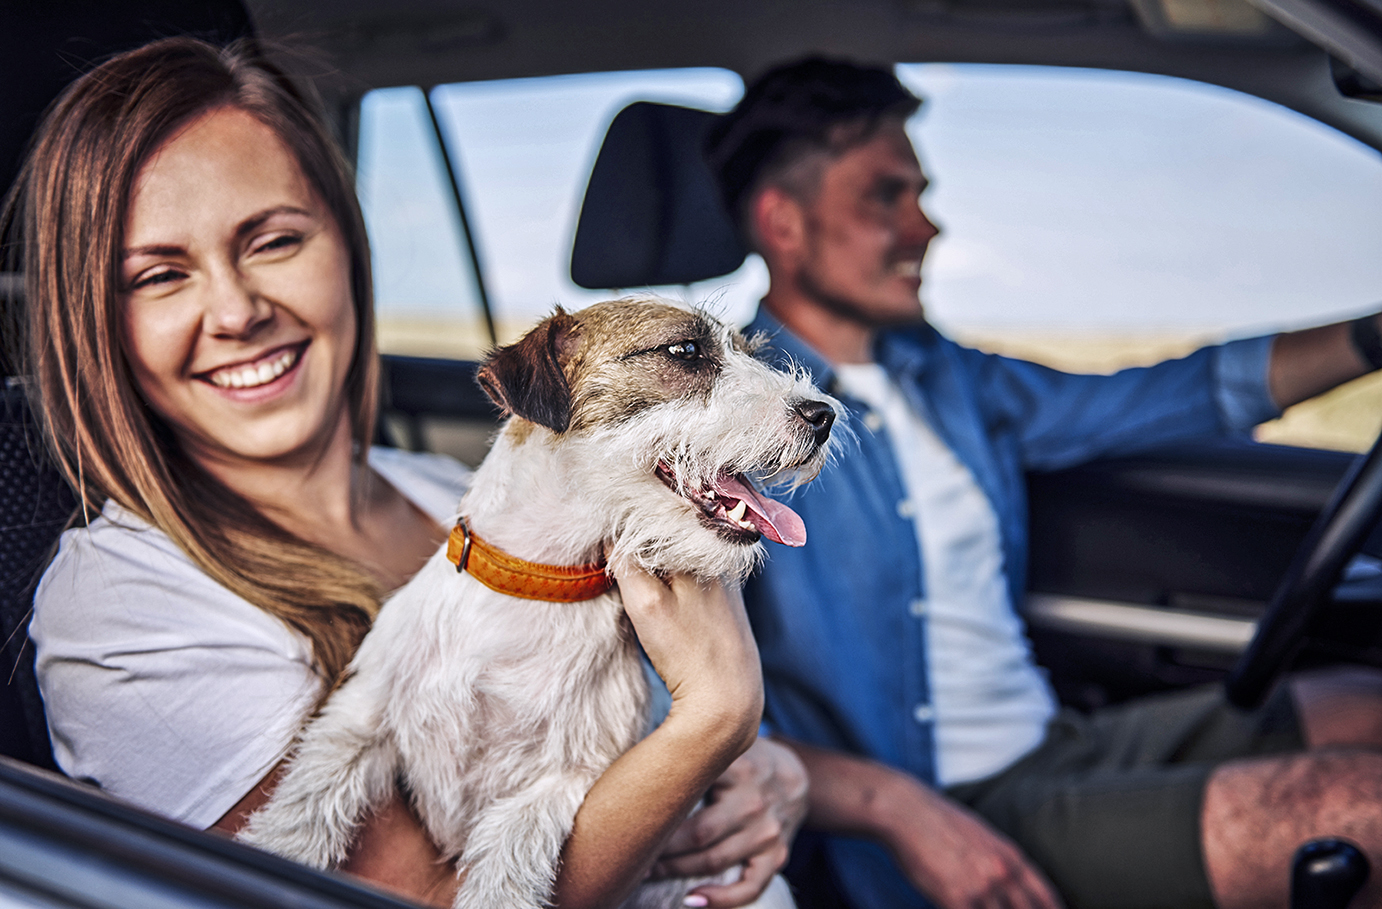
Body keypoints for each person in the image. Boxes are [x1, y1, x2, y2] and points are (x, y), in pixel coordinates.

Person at [4, 37, 804, 909]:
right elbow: (419, 896)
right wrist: (716, 718)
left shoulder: (452, 488)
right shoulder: (123, 598)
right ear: (97, 322)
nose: (236, 311)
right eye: (160, 274)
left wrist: (783, 771)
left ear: (349, 247)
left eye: (273, 240)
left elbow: (647, 724)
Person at [704, 57, 1382, 909]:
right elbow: (688, 708)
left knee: (1367, 704)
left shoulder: (948, 379)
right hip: (934, 813)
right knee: (1361, 812)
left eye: (920, 193)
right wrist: (895, 808)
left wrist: (1370, 340)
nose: (925, 225)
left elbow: (1170, 395)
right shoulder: (723, 423)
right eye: (886, 196)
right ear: (784, 222)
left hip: (1052, 743)